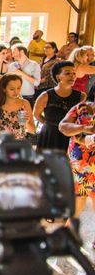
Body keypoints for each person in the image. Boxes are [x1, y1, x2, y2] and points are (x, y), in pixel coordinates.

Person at [59, 99, 95, 248]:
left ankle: (66, 233)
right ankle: (66, 233)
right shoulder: (83, 107)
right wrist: (84, 128)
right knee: (79, 198)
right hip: (80, 163)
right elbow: (63, 127)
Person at [34, 61, 84, 152]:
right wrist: (49, 125)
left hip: (71, 136)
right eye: (67, 73)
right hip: (50, 136)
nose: (72, 76)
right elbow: (36, 114)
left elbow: (83, 117)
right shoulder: (45, 96)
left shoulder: (81, 96)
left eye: (74, 73)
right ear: (58, 77)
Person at [0, 74, 36, 139]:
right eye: (12, 89)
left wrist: (26, 123)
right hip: (0, 144)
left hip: (19, 144)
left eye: (18, 88)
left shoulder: (24, 103)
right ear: (4, 89)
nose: (16, 92)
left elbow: (32, 131)